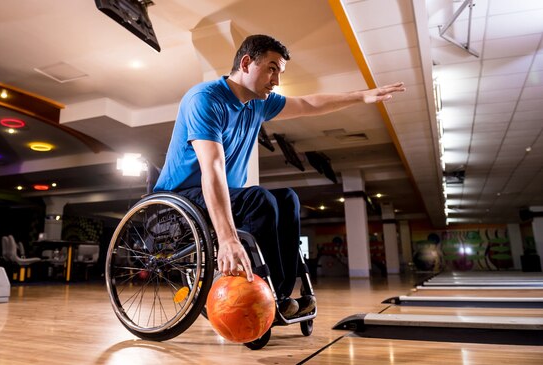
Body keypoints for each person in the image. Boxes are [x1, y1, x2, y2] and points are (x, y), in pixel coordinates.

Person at [154, 34, 405, 318]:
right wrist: (226, 239)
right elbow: (212, 169)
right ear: (246, 63)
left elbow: (309, 104)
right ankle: (270, 293)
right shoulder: (206, 99)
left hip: (218, 197)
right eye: (272, 68)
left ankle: (281, 292)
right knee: (258, 198)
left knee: (286, 198)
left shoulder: (258, 104)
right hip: (176, 203)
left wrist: (360, 96)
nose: (276, 80)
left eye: (280, 72)